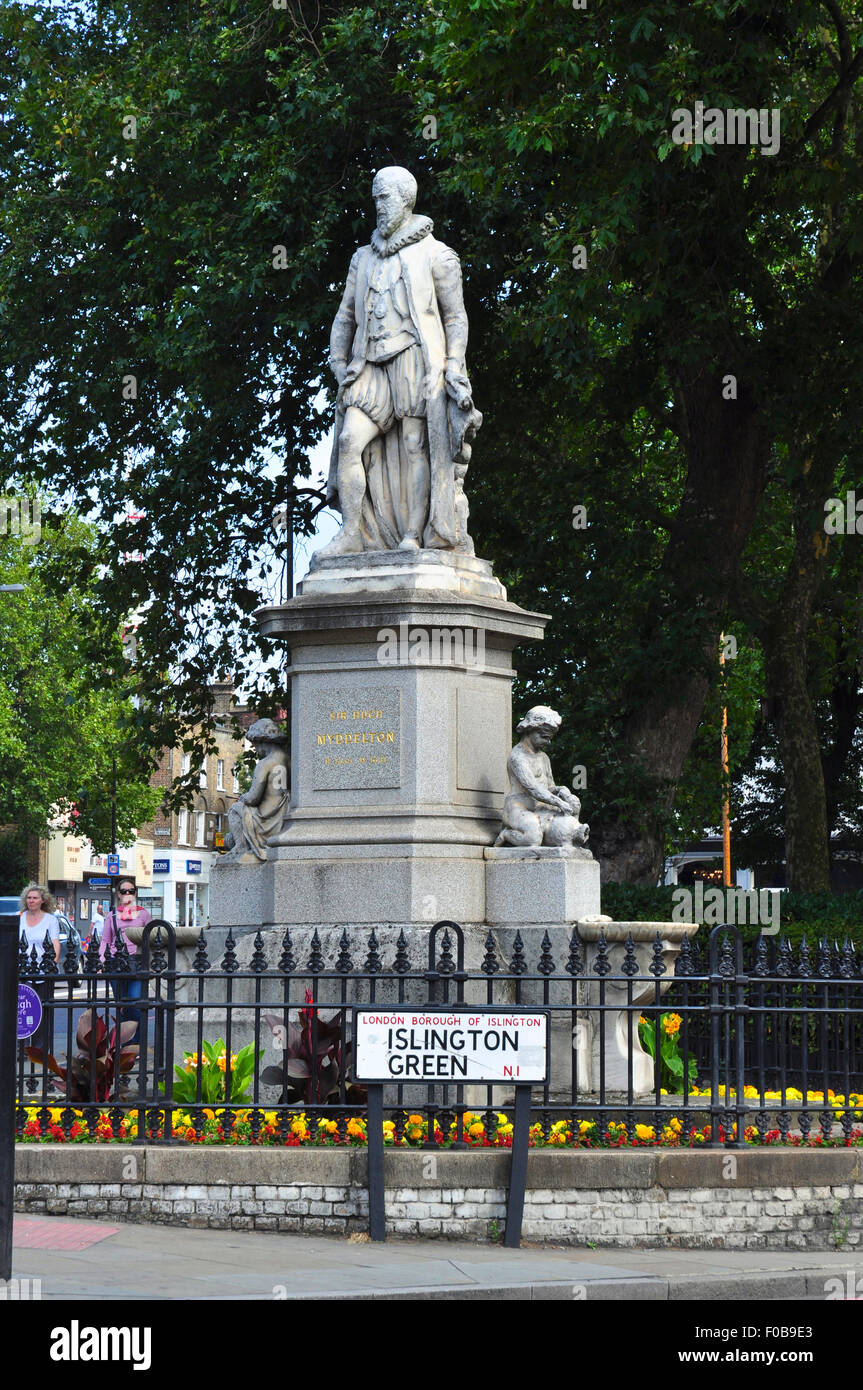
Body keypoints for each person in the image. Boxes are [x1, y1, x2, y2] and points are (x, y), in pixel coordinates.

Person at [320, 165, 482, 556]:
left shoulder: (437, 255)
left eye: (384, 197)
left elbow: (455, 318)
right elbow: (345, 316)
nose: (377, 205)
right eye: (375, 197)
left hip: (414, 359)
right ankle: (351, 533)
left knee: (415, 447)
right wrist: (338, 360)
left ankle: (414, 534)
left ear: (406, 199)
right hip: (370, 364)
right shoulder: (362, 259)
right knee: (348, 442)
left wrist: (451, 366)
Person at [222, 718, 290, 860]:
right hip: (282, 813)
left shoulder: (265, 764)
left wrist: (243, 797)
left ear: (261, 742)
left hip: (265, 818)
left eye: (255, 745)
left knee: (235, 809)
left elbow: (253, 797)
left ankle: (240, 848)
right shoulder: (288, 760)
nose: (256, 750)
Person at [98, 879, 151, 1044]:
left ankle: (137, 1043)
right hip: (116, 963)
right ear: (118, 894)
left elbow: (152, 939)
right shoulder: (112, 915)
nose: (128, 894)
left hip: (137, 964)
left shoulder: (143, 914)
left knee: (135, 1003)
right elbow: (105, 941)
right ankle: (124, 1045)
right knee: (121, 1006)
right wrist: (102, 961)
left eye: (131, 891)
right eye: (124, 891)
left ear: (135, 893)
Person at [18, 883, 61, 1052]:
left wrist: (52, 964)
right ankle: (21, 1048)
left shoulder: (51, 920)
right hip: (23, 970)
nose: (31, 900)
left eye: (35, 898)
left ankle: (39, 1049)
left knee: (42, 1011)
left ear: (43, 900)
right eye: (29, 897)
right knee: (22, 1011)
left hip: (43, 970)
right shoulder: (20, 918)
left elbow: (55, 943)